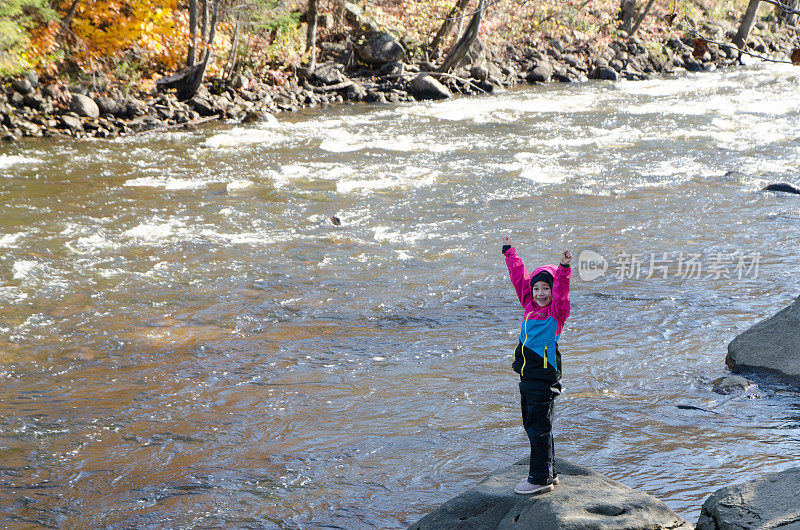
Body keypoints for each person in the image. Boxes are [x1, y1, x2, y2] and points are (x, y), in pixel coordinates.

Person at [501, 235, 572, 495]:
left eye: (546, 289)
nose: (541, 293)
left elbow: (562, 291)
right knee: (538, 424)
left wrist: (563, 269)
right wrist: (510, 252)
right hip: (528, 373)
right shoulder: (529, 304)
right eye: (537, 288)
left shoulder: (557, 311)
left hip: (543, 375)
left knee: (537, 426)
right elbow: (519, 277)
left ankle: (539, 478)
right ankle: (549, 472)